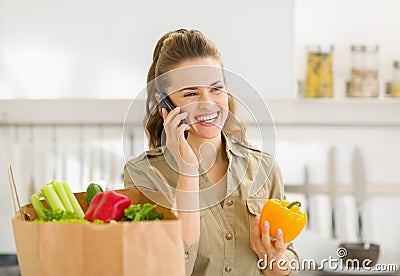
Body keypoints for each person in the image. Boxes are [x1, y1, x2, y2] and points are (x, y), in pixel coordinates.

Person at [124, 29, 299, 276]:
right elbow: (168, 269)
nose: (208, 102)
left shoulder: (263, 167)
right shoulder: (144, 175)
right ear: (165, 103)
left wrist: (275, 259)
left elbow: (287, 261)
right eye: (191, 93)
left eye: (216, 89)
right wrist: (187, 171)